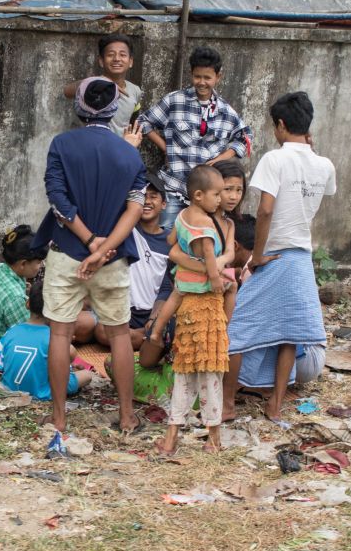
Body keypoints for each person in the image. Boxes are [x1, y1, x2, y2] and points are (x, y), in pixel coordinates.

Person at [36, 76, 146, 436]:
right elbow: (135, 208)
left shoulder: (62, 144)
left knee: (60, 333)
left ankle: (59, 418)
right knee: (119, 334)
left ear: (78, 107)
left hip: (67, 252)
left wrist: (88, 241)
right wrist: (105, 248)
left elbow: (58, 201)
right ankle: (127, 416)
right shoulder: (129, 153)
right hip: (113, 257)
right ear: (114, 109)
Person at [225, 91, 335, 422]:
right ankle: (275, 405)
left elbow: (266, 210)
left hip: (274, 253)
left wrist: (257, 255)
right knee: (290, 332)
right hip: (301, 257)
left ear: (281, 125)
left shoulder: (274, 159)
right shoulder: (324, 165)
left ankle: (227, 403)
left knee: (238, 328)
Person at [155, 165, 230, 455]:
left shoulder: (183, 217)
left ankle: (171, 437)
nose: (220, 199)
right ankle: (214, 439)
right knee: (211, 372)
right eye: (216, 194)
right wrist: (215, 279)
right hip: (207, 306)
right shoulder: (206, 226)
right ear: (199, 195)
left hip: (187, 305)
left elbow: (170, 242)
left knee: (184, 371)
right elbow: (210, 255)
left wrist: (186, 258)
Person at [140, 46, 252, 231]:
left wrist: (221, 158)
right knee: (166, 235)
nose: (202, 82)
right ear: (191, 74)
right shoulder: (174, 101)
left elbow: (245, 137)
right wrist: (165, 147)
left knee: (203, 240)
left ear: (218, 77)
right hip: (174, 187)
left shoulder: (226, 111)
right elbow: (143, 122)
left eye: (207, 78)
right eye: (197, 77)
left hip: (208, 196)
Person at [143, 160, 243, 347]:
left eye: (239, 190)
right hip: (201, 278)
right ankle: (223, 329)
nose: (232, 196)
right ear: (202, 193)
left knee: (177, 296)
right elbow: (174, 253)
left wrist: (220, 261)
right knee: (231, 286)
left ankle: (222, 330)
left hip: (189, 275)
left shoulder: (224, 223)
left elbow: (229, 253)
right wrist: (210, 270)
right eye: (225, 190)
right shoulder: (203, 221)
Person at [0, 226, 60, 369]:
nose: (41, 265)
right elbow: (30, 334)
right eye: (39, 262)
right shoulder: (14, 297)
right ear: (23, 264)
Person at [0, 277, 94, 401]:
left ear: (27, 304)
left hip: (10, 389)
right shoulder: (55, 338)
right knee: (87, 375)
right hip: (43, 392)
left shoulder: (11, 331)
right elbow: (70, 354)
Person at [102, 180, 169, 352]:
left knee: (162, 330)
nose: (147, 201)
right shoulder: (125, 230)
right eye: (142, 196)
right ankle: (142, 339)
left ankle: (143, 337)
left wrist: (154, 318)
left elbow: (167, 287)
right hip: (123, 311)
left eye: (153, 197)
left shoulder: (170, 241)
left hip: (153, 312)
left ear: (164, 204)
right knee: (101, 331)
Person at [64, 33, 143, 141]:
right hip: (94, 146)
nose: (117, 59)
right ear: (101, 61)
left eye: (122, 55)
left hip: (121, 147)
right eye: (111, 55)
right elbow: (67, 91)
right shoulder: (92, 87)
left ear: (130, 62)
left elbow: (133, 121)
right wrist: (101, 83)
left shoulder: (135, 90)